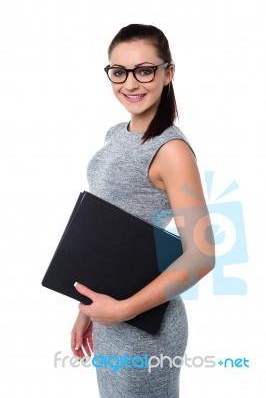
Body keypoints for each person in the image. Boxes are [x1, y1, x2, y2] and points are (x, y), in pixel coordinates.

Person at [71, 24, 215, 397]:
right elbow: (107, 230)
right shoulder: (116, 134)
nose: (130, 84)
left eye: (144, 70)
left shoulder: (171, 151)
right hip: (108, 314)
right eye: (118, 72)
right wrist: (87, 309)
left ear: (168, 73)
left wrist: (123, 311)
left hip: (145, 328)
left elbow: (201, 255)